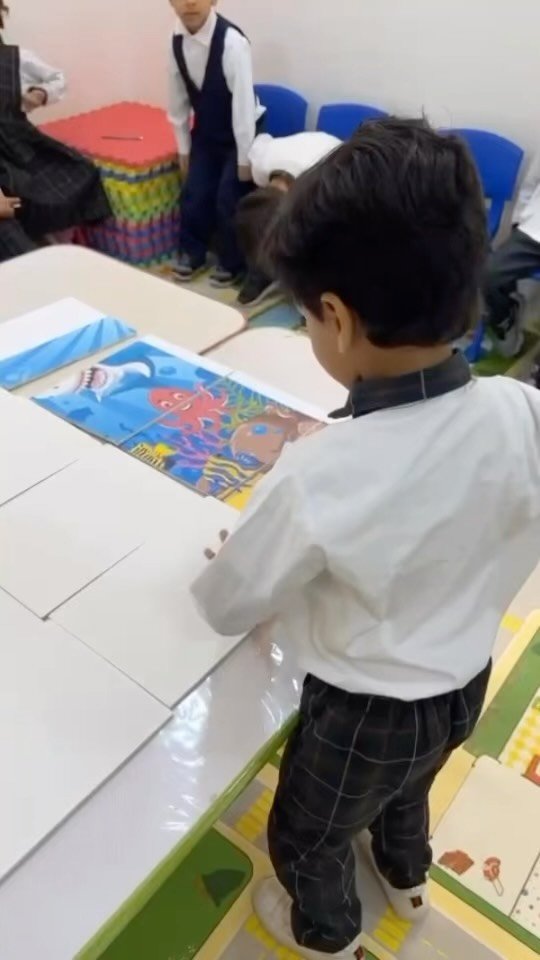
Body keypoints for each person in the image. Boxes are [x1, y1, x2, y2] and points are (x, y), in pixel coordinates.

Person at [192, 118, 540, 959]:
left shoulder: (321, 472)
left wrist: (235, 558)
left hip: (362, 713)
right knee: (407, 795)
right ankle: (408, 880)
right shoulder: (522, 409)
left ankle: (327, 933)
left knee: (309, 833)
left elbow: (229, 602)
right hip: (462, 684)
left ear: (336, 319)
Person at [0, 2, 111, 263]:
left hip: (20, 145)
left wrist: (41, 93)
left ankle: (59, 245)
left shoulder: (16, 58)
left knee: (79, 171)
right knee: (16, 201)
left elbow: (57, 79)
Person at [167, 0, 264, 286]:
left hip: (241, 132)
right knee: (195, 192)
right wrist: (183, 148)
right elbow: (177, 100)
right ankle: (192, 252)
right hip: (208, 130)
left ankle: (232, 263)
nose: (190, 2)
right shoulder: (174, 40)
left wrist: (244, 159)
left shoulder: (233, 42)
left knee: (228, 196)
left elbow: (243, 107)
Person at [236, 130, 341, 306]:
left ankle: (314, 294)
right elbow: (261, 139)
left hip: (335, 159)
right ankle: (262, 274)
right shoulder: (260, 164)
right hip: (295, 155)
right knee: (260, 226)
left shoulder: (322, 184)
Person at [484, 148, 540, 357]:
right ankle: (507, 318)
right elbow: (531, 183)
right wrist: (518, 220)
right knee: (487, 276)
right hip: (533, 231)